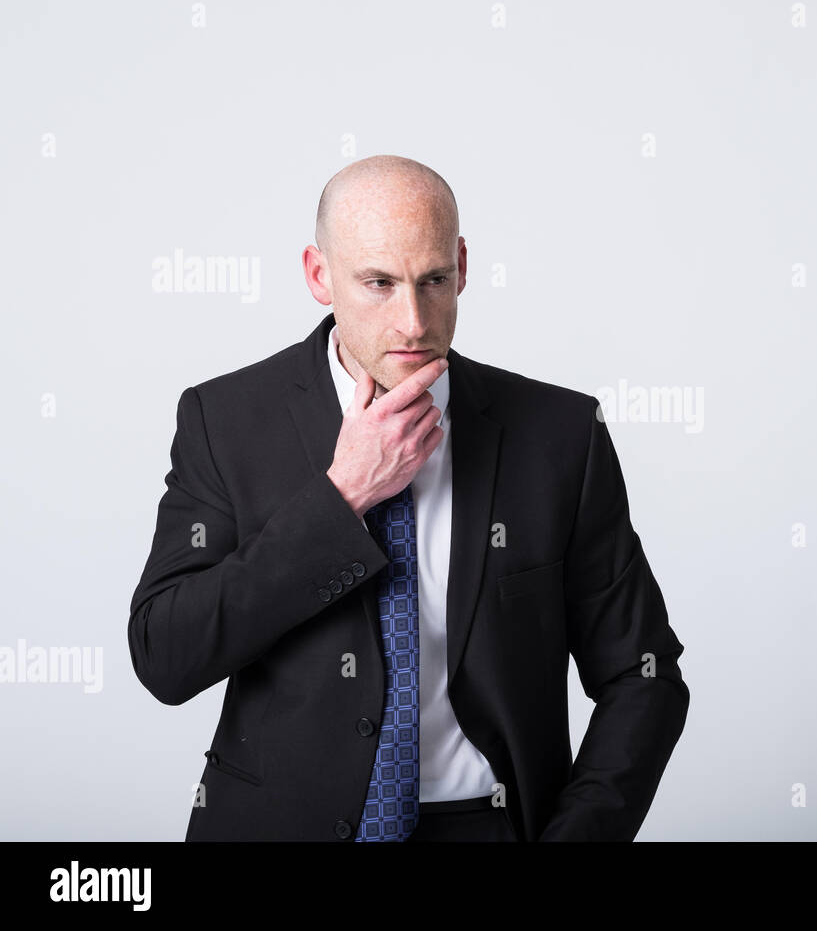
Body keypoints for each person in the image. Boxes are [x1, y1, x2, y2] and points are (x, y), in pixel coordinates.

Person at [128, 155, 689, 841]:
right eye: (378, 284)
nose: (414, 321)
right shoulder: (226, 421)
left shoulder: (560, 436)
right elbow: (166, 655)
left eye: (433, 281)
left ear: (461, 265)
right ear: (318, 275)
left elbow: (644, 675)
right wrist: (341, 498)